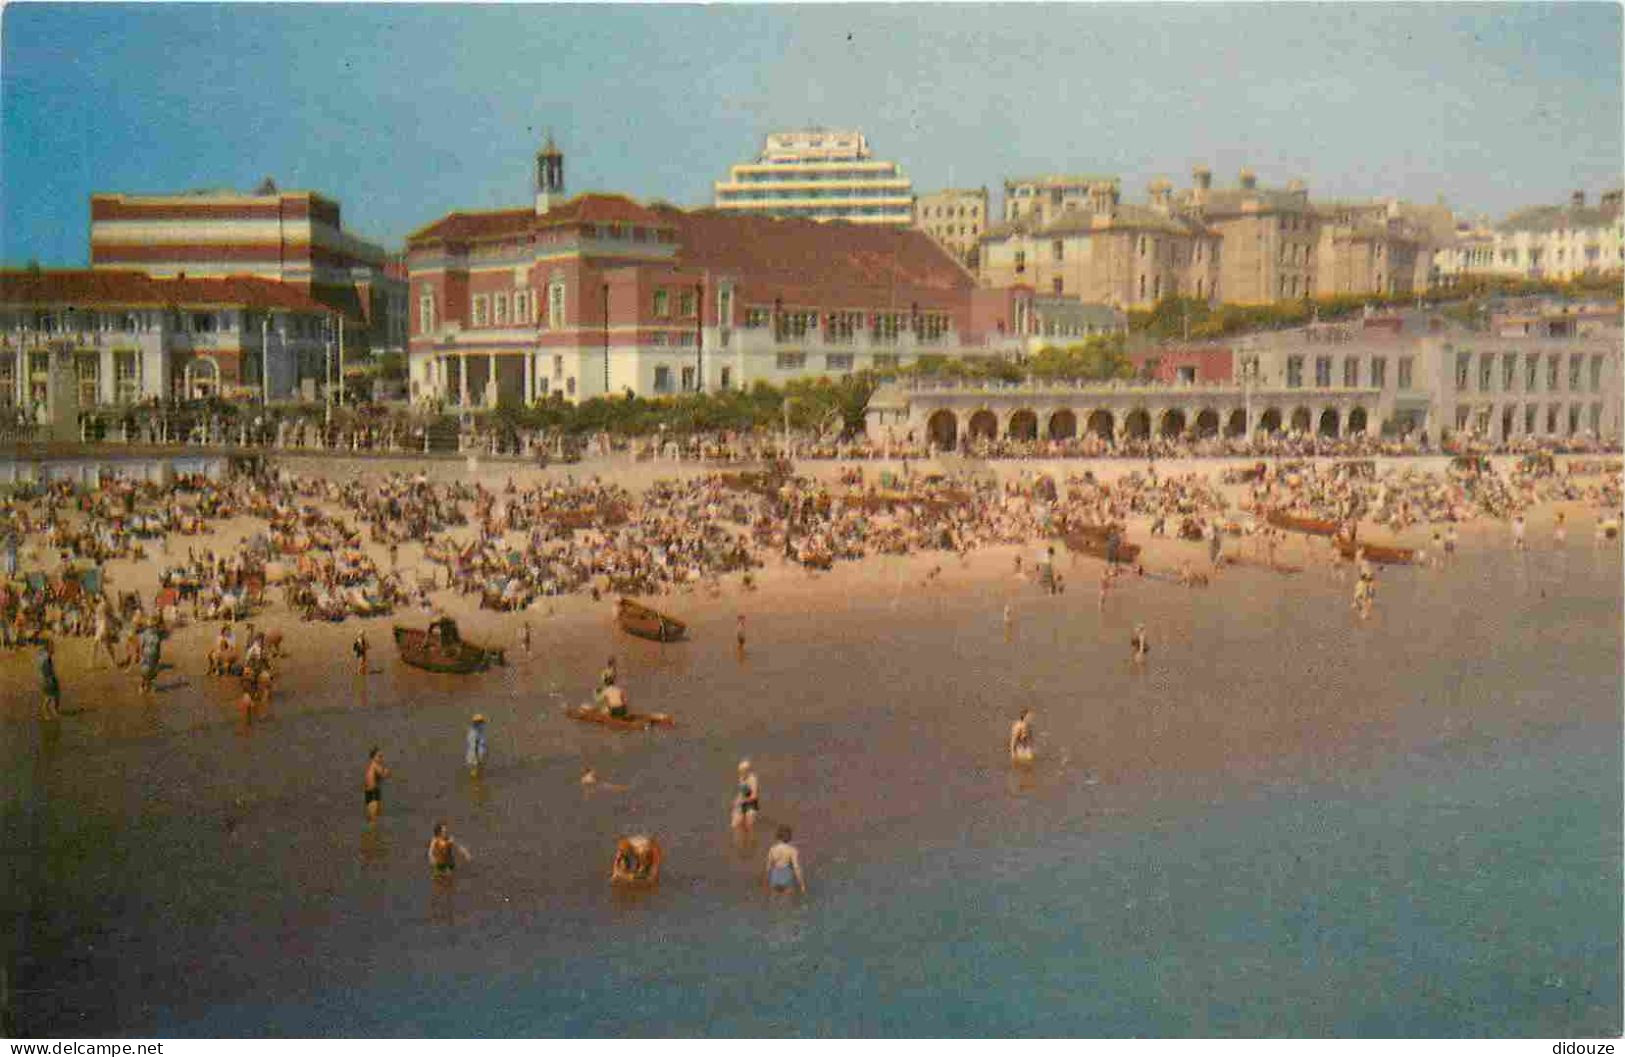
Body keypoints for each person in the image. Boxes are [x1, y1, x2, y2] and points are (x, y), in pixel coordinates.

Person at [764, 826, 806, 895]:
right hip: (786, 874)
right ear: (790, 837)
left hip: (775, 875)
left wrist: (765, 883)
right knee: (787, 898)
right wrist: (802, 884)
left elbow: (768, 867)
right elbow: (796, 868)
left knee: (774, 897)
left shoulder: (772, 849)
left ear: (777, 836)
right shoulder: (792, 850)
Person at [364, 747, 390, 823]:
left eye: (381, 756)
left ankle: (372, 833)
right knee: (373, 818)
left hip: (370, 792)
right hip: (373, 793)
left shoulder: (371, 766)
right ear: (373, 757)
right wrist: (386, 772)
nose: (381, 758)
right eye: (379, 756)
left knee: (372, 818)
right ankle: (372, 833)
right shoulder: (375, 765)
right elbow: (383, 774)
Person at [732, 759, 761, 829]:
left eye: (742, 771)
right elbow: (741, 792)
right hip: (742, 803)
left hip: (751, 804)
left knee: (749, 824)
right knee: (735, 824)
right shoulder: (741, 778)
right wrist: (737, 800)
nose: (740, 773)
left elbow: (754, 796)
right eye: (740, 771)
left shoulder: (752, 779)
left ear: (747, 770)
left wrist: (742, 801)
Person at [37, 638, 61, 721]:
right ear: (48, 647)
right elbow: (44, 669)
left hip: (49, 677)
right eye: (52, 646)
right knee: (49, 697)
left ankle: (54, 710)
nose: (54, 648)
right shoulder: (45, 657)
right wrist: (49, 679)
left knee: (56, 694)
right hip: (47, 678)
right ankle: (45, 713)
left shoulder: (44, 655)